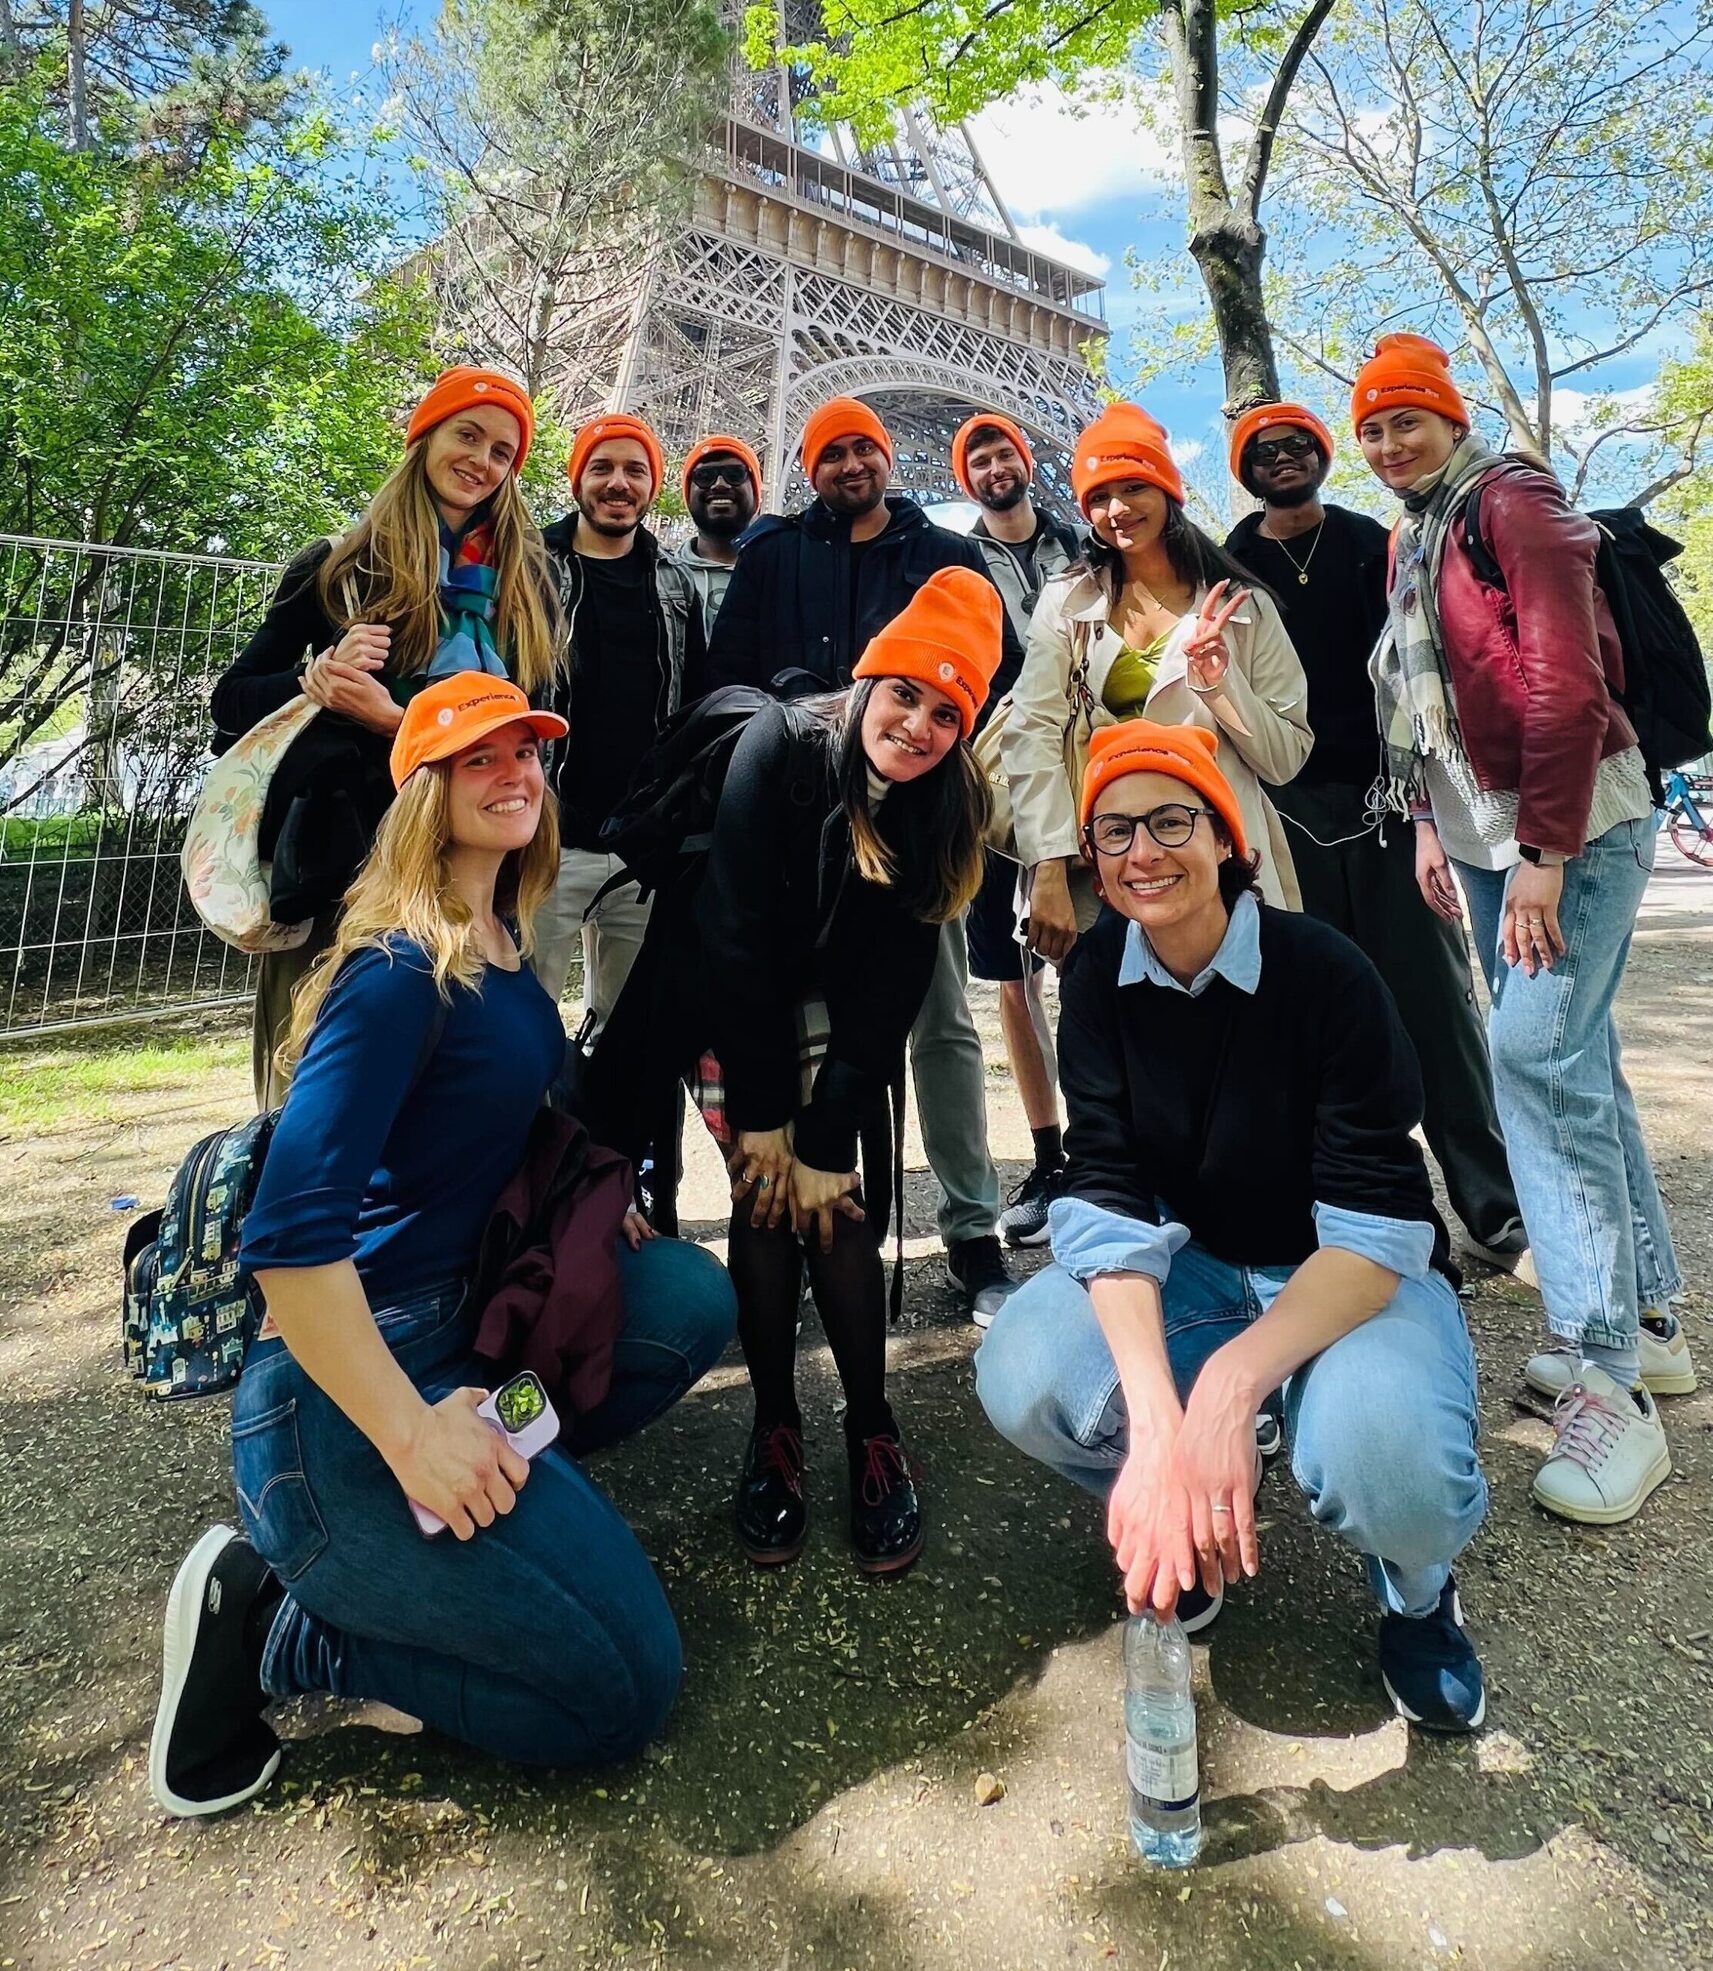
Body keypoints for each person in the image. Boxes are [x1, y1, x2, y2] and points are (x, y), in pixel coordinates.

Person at [148, 672, 736, 1819]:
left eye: (528, 753)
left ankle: (492, 1528)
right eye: (480, 758)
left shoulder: (501, 939)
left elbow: (493, 1108)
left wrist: (576, 1192)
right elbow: (289, 1243)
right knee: (621, 1695)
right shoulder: (395, 972)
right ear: (426, 789)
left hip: (469, 1321)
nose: (515, 773)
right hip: (349, 1387)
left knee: (678, 1299)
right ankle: (282, 1634)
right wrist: (414, 1433)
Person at [977, 720, 1489, 1732]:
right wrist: (1161, 1428)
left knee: (1389, 1462)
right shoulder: (1097, 981)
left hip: (1342, 1278)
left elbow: (1380, 1227)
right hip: (1199, 1264)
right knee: (1026, 1373)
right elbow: (1108, 1193)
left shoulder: (1326, 974)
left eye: (1171, 821)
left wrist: (1226, 1386)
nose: (1142, 852)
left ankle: (1420, 1593)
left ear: (1225, 839)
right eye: (1113, 833)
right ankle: (1192, 1512)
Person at [1354, 333, 1693, 1525]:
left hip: (1575, 824)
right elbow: (1423, 705)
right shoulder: (1413, 537)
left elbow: (1565, 678)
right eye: (1376, 427)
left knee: (1535, 1062)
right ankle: (1649, 1327)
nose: (1391, 442)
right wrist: (1435, 829)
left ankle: (1608, 1378)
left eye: (1410, 420)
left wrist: (1544, 850)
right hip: (1487, 833)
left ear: (1453, 420)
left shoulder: (1514, 501)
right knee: (1577, 1062)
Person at [597, 569, 998, 1574]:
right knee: (765, 1196)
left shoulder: (944, 802)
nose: (917, 724)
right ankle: (775, 1424)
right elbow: (733, 932)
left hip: (834, 995)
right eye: (905, 692)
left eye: (947, 712)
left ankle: (872, 1426)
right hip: (725, 983)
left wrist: (827, 1133)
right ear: (870, 682)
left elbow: (894, 984)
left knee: (839, 1203)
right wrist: (771, 1122)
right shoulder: (782, 740)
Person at [708, 396, 1026, 1324]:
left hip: (909, 822)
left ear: (887, 458)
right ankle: (782, 1206)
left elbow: (990, 688)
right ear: (812, 468)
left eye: (865, 450)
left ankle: (970, 1230)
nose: (852, 464)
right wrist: (802, 711)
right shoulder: (770, 554)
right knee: (780, 1004)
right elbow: (725, 670)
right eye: (833, 452)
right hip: (794, 816)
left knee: (935, 1019)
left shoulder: (949, 554)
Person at [1223, 404, 1529, 1276]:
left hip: (1390, 806)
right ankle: (1367, 1209)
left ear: (1323, 456)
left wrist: (1430, 807)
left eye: (1297, 446)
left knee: (1436, 1011)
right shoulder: (1226, 564)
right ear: (1244, 469)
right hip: (1283, 819)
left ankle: (1492, 1204)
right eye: (1263, 451)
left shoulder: (1379, 542)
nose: (1281, 459)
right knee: (1316, 1025)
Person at [210, 367, 559, 1109]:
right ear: (423, 438)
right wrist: (317, 680)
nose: (483, 460)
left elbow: (539, 728)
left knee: (451, 1082)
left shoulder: (528, 585)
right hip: (344, 859)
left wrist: (400, 723)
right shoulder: (340, 565)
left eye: (503, 451)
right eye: (467, 434)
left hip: (465, 864)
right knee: (310, 1081)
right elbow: (231, 699)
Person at [1004, 402, 1312, 976]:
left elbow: (1285, 760)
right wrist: (1048, 862)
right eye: (1098, 496)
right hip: (1098, 862)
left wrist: (1221, 685)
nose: (1116, 510)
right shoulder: (1066, 604)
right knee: (1107, 1041)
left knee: (1231, 1035)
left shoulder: (1243, 608)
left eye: (1133, 486)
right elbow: (1033, 731)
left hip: (1214, 864)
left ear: (1168, 490)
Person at [951, 412, 1083, 1249]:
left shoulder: (1087, 545)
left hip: (1089, 777)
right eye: (979, 459)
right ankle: (1048, 1157)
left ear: (1025, 462)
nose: (994, 467)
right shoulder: (950, 559)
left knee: (1101, 970)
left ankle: (1114, 1147)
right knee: (1011, 977)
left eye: (1003, 452)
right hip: (992, 788)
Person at [533, 413, 704, 1031]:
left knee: (626, 1038)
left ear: (653, 485)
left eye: (636, 470)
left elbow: (697, 709)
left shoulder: (675, 585)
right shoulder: (530, 569)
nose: (618, 482)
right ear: (577, 479)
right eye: (601, 467)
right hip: (546, 838)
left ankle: (608, 1133)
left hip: (642, 845)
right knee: (523, 1028)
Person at [670, 435, 762, 638]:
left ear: (756, 495)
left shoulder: (781, 577)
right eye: (704, 476)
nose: (720, 484)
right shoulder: (658, 577)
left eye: (735, 474)